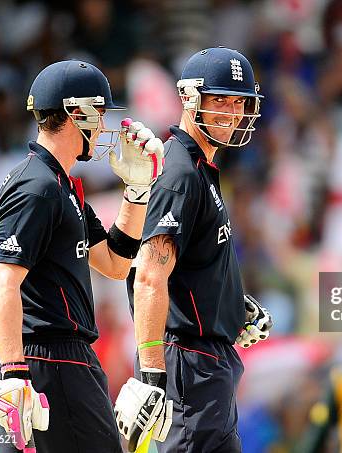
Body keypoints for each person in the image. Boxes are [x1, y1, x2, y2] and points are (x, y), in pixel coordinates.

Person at [0, 60, 164, 453]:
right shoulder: (39, 186)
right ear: (76, 112)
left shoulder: (60, 186)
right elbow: (3, 282)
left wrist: (137, 191)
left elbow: (116, 262)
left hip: (50, 360)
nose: (102, 127)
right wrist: (15, 372)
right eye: (99, 115)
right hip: (50, 361)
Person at [113, 47, 273, 453]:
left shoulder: (200, 169)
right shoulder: (181, 172)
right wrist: (150, 373)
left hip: (206, 368)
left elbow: (190, 267)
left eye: (239, 101)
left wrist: (230, 305)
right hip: (187, 367)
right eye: (220, 99)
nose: (232, 112)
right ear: (188, 98)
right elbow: (149, 273)